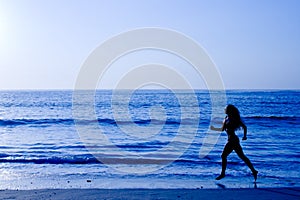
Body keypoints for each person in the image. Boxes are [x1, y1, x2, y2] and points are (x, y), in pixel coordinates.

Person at [210, 104, 258, 181]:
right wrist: (214, 128)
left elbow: (244, 126)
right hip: (231, 140)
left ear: (229, 110)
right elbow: (222, 129)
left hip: (233, 140)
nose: (224, 110)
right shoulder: (226, 118)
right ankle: (254, 171)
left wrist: (245, 136)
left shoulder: (234, 119)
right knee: (242, 157)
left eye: (225, 109)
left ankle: (223, 174)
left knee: (224, 156)